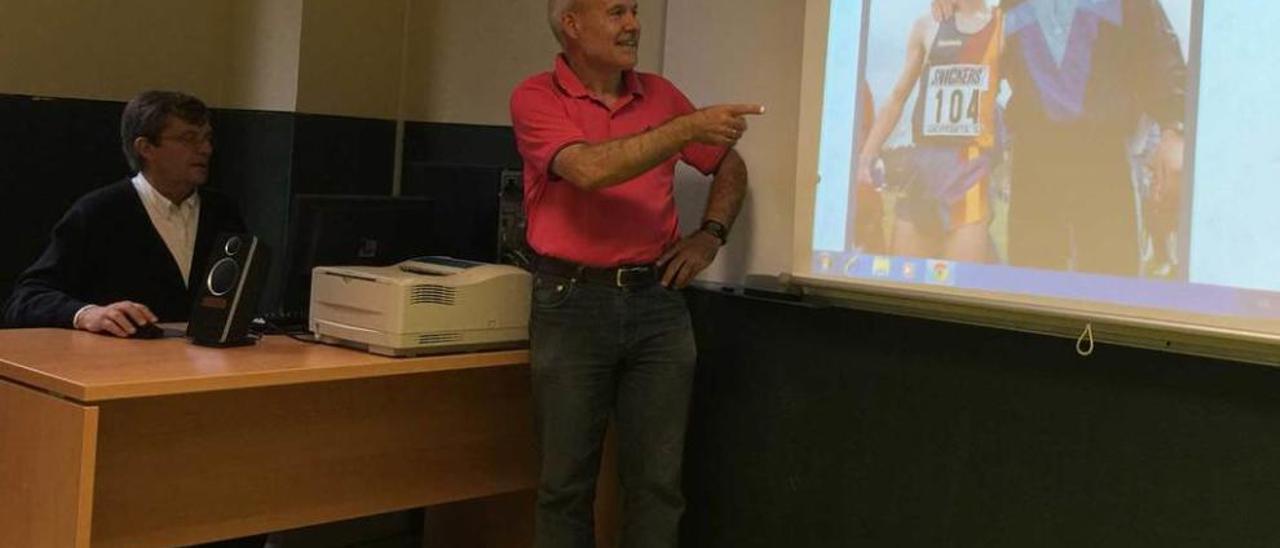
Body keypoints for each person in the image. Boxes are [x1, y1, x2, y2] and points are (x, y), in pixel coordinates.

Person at [510, 0, 761, 545]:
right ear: (572, 25)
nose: (633, 25)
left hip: (657, 305)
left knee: (657, 486)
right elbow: (590, 169)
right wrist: (686, 129)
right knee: (565, 486)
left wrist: (709, 234)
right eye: (617, 12)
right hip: (570, 302)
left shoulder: (662, 96)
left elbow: (729, 164)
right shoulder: (536, 96)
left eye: (636, 11)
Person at [932, 0, 1187, 275]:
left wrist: (1175, 129)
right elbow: (975, 69)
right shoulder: (1007, 9)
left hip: (1104, 159)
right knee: (1031, 281)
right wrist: (957, 12)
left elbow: (1158, 53)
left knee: (1111, 278)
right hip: (1034, 160)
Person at [3, 91, 247, 337]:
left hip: (203, 366)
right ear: (146, 148)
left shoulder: (222, 212)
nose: (205, 149)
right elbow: (27, 297)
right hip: (117, 366)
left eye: (207, 138)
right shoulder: (99, 211)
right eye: (189, 138)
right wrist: (88, 314)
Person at [857, 0, 1003, 263]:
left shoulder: (1003, 26)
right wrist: (866, 157)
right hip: (923, 174)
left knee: (962, 291)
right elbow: (897, 98)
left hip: (968, 176)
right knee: (900, 286)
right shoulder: (927, 24)